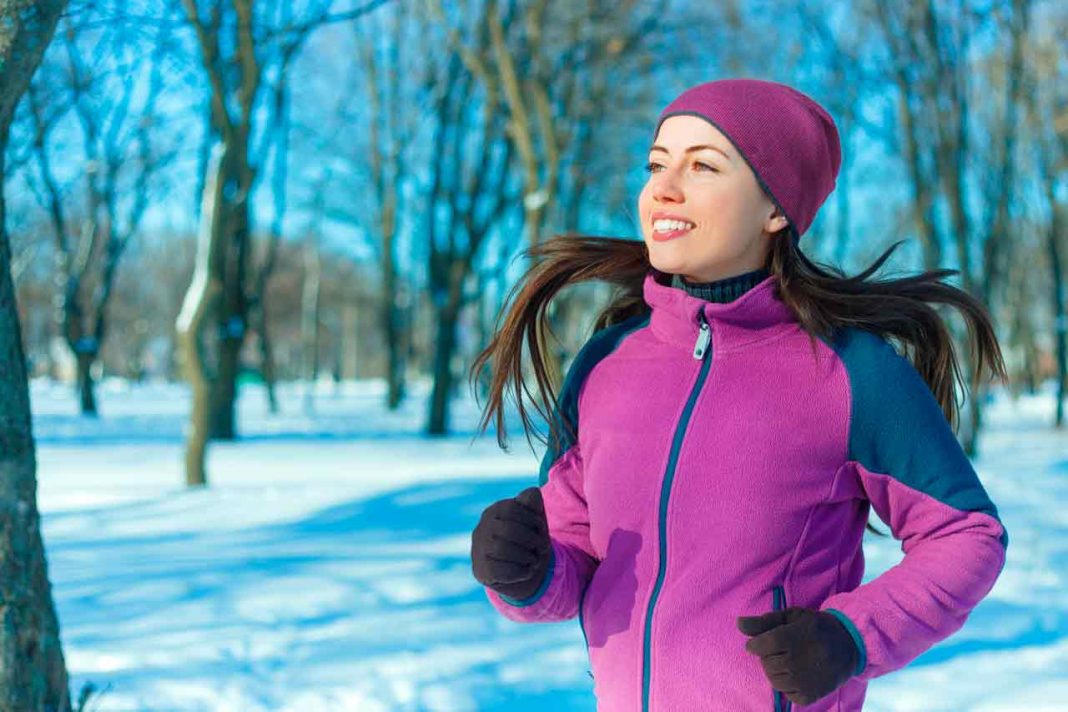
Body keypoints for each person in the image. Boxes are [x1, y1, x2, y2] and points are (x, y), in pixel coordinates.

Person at [467, 77, 1009, 712]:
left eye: (702, 166)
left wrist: (850, 636)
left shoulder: (851, 372)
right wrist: (527, 573)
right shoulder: (604, 365)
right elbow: (579, 563)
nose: (664, 187)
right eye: (656, 164)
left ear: (775, 208)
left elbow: (967, 535)